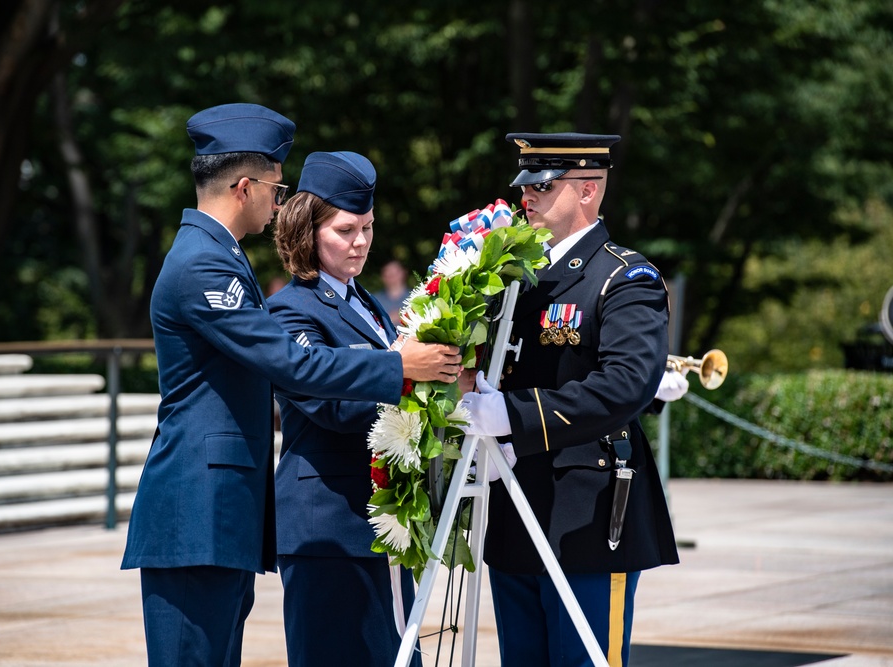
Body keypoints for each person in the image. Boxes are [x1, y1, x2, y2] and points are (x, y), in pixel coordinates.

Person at [120, 103, 461, 667]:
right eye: (277, 191)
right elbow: (294, 365)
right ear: (246, 186)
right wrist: (399, 366)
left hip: (220, 514)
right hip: (196, 514)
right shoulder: (204, 263)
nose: (280, 206)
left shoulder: (218, 256)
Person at [461, 132, 679, 667]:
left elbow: (625, 385)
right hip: (514, 505)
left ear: (587, 191)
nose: (527, 198)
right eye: (526, 186)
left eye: (544, 186)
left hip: (586, 512)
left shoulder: (625, 277)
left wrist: (510, 415)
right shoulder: (514, 276)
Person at [267, 151, 423, 667]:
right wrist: (409, 375)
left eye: (368, 228)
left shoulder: (366, 303)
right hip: (328, 529)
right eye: (345, 229)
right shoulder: (291, 309)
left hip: (377, 523)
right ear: (307, 230)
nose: (360, 243)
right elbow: (330, 403)